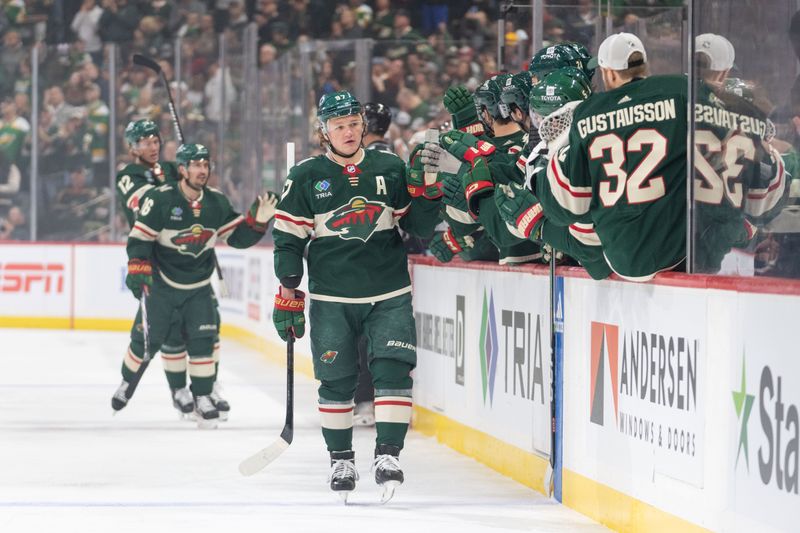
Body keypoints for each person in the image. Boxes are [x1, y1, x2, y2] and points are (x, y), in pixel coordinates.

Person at [271, 90, 440, 502]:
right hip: (332, 299)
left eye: (352, 123)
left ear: (363, 126)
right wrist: (288, 291)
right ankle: (341, 459)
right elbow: (288, 239)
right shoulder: (306, 175)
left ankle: (388, 455)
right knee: (337, 379)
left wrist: (427, 189)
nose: (347, 131)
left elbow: (418, 225)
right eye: (338, 125)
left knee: (393, 371)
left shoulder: (389, 167)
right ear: (323, 131)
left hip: (390, 292)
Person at [116, 143, 277, 428]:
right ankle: (128, 382)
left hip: (199, 285)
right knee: (147, 341)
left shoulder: (216, 201)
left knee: (204, 340)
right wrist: (138, 266)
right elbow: (140, 238)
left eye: (206, 165)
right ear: (181, 169)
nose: (203, 170)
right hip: (163, 286)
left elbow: (237, 238)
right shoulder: (160, 199)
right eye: (196, 165)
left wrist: (257, 222)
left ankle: (202, 395)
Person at [112, 120, 227, 420]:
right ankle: (177, 390)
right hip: (156, 257)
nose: (152, 147)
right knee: (166, 332)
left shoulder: (169, 167)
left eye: (155, 140)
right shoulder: (129, 175)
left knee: (208, 324)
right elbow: (144, 204)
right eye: (145, 142)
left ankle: (208, 387)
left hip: (190, 257)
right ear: (132, 147)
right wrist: (177, 186)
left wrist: (191, 173)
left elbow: (194, 192)